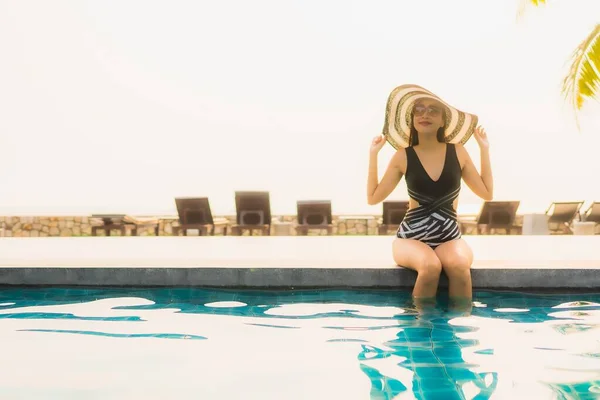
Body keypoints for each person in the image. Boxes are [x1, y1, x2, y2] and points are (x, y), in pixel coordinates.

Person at [367, 84, 493, 307]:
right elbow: (374, 197)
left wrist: (484, 150)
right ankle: (418, 331)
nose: (425, 114)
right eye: (419, 109)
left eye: (433, 110)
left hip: (449, 237)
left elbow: (486, 193)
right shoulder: (402, 156)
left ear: (443, 120)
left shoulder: (458, 151)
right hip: (411, 239)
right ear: (412, 118)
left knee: (459, 267)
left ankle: (455, 333)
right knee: (430, 266)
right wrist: (373, 155)